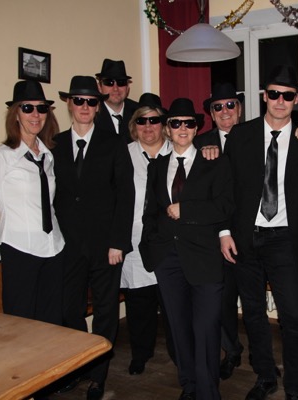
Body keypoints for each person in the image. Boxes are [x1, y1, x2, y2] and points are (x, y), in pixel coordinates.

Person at [221, 65, 298, 400]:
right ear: (264, 96)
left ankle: (294, 386)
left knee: (293, 316)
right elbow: (226, 188)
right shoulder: (241, 135)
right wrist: (224, 231)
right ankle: (266, 376)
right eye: (274, 94)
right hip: (245, 237)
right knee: (253, 312)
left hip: (285, 239)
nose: (280, 101)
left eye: (288, 95)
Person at [140, 98, 234, 400]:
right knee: (178, 330)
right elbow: (150, 212)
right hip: (167, 259)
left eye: (189, 123)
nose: (183, 128)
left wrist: (187, 210)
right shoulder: (157, 167)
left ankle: (207, 392)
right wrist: (151, 247)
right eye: (176, 123)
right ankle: (190, 386)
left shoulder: (215, 162)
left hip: (205, 258)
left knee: (206, 329)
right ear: (167, 128)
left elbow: (225, 206)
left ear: (197, 128)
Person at [52, 75, 134, 400]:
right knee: (68, 309)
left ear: (98, 106)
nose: (85, 106)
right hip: (67, 245)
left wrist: (118, 242)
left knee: (105, 311)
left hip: (105, 246)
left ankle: (98, 375)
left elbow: (125, 195)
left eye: (91, 101)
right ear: (69, 103)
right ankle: (78, 366)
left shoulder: (113, 143)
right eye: (79, 100)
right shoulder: (54, 144)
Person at [0, 80, 64, 325]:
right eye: (28, 108)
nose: (35, 115)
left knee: (52, 323)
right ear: (16, 114)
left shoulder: (48, 155)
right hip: (20, 251)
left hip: (54, 248)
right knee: (22, 325)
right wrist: (3, 252)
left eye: (41, 108)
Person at [122, 92, 175, 375]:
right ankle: (140, 354)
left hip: (169, 241)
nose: (148, 126)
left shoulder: (177, 151)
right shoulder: (123, 155)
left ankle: (180, 354)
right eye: (142, 121)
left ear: (163, 124)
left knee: (173, 305)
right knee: (139, 302)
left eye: (154, 120)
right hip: (135, 239)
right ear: (134, 126)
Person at [195, 82, 245, 380]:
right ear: (211, 114)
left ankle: (262, 359)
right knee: (222, 301)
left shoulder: (255, 135)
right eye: (218, 107)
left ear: (239, 109)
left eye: (230, 105)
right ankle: (232, 349)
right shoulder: (199, 143)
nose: (225, 111)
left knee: (251, 301)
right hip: (215, 236)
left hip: (251, 232)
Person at [95, 58, 139, 142]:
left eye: (121, 82)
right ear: (99, 87)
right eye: (109, 82)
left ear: (127, 87)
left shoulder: (139, 113)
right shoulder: (91, 114)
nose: (115, 88)